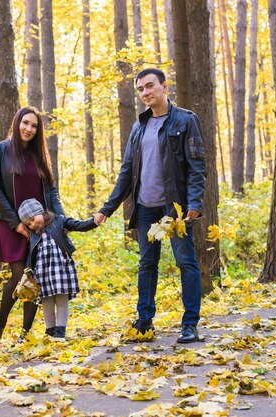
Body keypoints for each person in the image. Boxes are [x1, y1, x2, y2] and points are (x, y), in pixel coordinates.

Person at [94, 68, 207, 344]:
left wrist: (194, 202)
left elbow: (196, 166)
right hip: (145, 207)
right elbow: (127, 171)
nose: (145, 93)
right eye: (140, 89)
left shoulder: (185, 120)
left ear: (164, 87)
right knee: (147, 264)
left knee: (186, 262)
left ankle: (190, 324)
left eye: (149, 86)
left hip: (175, 208)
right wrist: (107, 208)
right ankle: (144, 322)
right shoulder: (139, 126)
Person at [0, 106, 64, 346]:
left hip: (37, 223)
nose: (28, 129)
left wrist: (60, 219)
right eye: (25, 123)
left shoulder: (38, 155)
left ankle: (25, 334)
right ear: (17, 122)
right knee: (20, 275)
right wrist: (15, 222)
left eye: (34, 126)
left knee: (35, 277)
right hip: (8, 221)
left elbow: (51, 190)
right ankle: (0, 320)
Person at [17, 198, 97, 341]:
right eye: (28, 223)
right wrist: (28, 273)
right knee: (47, 301)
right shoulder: (34, 235)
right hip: (43, 272)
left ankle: (60, 331)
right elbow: (30, 255)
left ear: (40, 212)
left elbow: (78, 225)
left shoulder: (59, 221)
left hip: (61, 268)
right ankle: (50, 330)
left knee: (61, 299)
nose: (33, 224)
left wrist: (94, 221)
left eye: (33, 219)